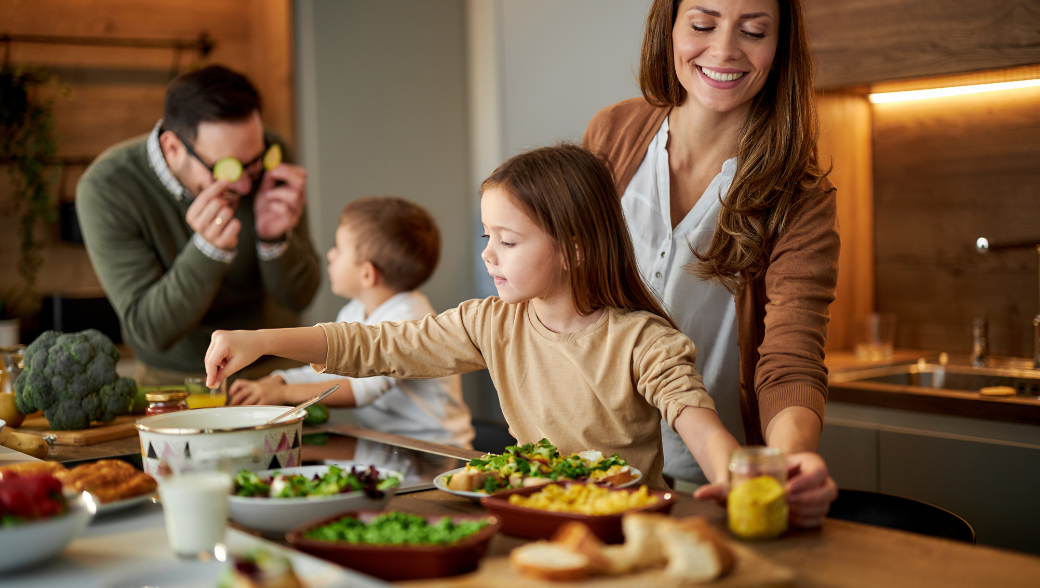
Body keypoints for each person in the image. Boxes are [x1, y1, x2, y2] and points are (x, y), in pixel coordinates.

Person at [204, 144, 741, 488]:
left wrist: (734, 481)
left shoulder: (642, 341)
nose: (488, 254)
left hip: (621, 529)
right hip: (530, 512)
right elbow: (376, 347)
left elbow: (696, 420)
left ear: (574, 249)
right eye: (489, 237)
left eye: (508, 241)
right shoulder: (491, 323)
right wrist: (259, 340)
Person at [582, 0, 838, 527]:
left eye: (753, 31)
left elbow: (790, 358)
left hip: (710, 481)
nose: (723, 50)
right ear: (669, 27)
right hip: (587, 467)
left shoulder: (800, 195)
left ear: (779, 46)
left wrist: (789, 461)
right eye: (702, 24)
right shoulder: (614, 133)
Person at [77, 65, 321, 385]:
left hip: (273, 373)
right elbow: (151, 330)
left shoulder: (266, 153)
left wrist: (273, 240)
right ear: (173, 148)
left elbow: (301, 297)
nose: (247, 186)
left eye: (254, 164)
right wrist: (207, 251)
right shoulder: (107, 186)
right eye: (228, 168)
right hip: (177, 381)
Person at [229, 197, 475, 448]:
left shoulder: (411, 319)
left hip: (436, 449)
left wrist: (282, 394)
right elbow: (332, 367)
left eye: (339, 248)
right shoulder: (355, 310)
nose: (330, 254)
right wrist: (281, 380)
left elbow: (364, 389)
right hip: (388, 445)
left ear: (367, 274)